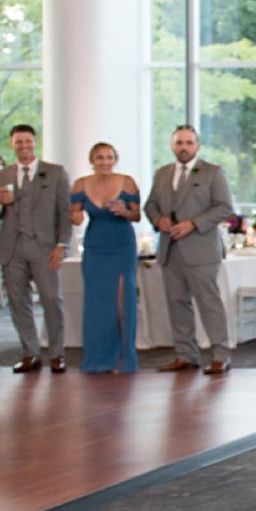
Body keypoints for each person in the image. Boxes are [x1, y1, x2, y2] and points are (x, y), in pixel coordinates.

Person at [145, 125, 236, 376]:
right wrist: (158, 220)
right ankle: (185, 355)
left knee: (209, 303)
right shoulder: (162, 173)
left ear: (197, 146)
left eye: (188, 143)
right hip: (169, 249)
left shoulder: (212, 173)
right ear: (172, 146)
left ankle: (220, 355)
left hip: (201, 250)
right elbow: (150, 204)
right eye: (179, 143)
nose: (183, 147)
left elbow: (225, 207)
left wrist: (193, 223)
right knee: (176, 304)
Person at [0, 124, 73, 373]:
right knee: (18, 301)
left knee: (50, 299)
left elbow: (64, 211)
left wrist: (62, 245)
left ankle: (57, 353)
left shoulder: (55, 172)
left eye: (27, 141)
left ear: (35, 143)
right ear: (11, 144)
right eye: (18, 142)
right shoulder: (1, 176)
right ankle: (30, 352)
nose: (23, 146)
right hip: (12, 247)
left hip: (44, 246)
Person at [70, 142, 142, 374]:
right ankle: (98, 358)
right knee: (97, 302)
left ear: (115, 159)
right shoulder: (80, 184)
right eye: (100, 158)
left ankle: (124, 358)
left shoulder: (127, 182)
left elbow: (137, 215)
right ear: (92, 160)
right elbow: (75, 218)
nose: (105, 162)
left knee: (123, 299)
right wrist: (73, 213)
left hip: (122, 244)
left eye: (109, 157)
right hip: (94, 246)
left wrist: (126, 212)